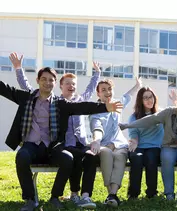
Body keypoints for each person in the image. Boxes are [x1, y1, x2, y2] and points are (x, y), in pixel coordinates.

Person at [0, 65, 122, 211]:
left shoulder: (60, 103)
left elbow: (81, 107)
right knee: (22, 157)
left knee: (67, 158)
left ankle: (55, 197)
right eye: (44, 79)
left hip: (51, 147)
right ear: (38, 80)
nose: (47, 82)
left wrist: (105, 107)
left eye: (51, 80)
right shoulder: (27, 98)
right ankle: (30, 199)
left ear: (54, 83)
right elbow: (6, 89)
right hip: (31, 145)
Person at [10, 52, 101, 209]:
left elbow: (89, 95)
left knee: (77, 158)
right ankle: (33, 199)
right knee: (24, 156)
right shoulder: (45, 99)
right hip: (45, 144)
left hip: (66, 144)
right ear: (60, 86)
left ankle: (67, 196)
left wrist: (97, 77)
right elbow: (26, 86)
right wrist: (19, 68)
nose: (71, 86)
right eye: (67, 83)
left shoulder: (70, 101)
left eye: (73, 84)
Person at [89, 77, 141, 207]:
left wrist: (137, 85)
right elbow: (97, 128)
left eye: (109, 89)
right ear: (98, 93)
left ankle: (112, 194)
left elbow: (127, 96)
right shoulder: (95, 111)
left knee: (120, 156)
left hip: (120, 144)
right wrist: (96, 141)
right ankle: (111, 194)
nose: (107, 92)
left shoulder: (117, 104)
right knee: (106, 153)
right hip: (103, 144)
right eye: (103, 90)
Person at [127, 87, 164, 199]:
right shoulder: (134, 116)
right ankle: (133, 194)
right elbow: (133, 132)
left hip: (155, 147)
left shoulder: (160, 114)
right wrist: (134, 142)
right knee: (137, 158)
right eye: (145, 98)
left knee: (151, 158)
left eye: (151, 97)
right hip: (138, 146)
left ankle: (151, 193)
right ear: (140, 100)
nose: (149, 100)